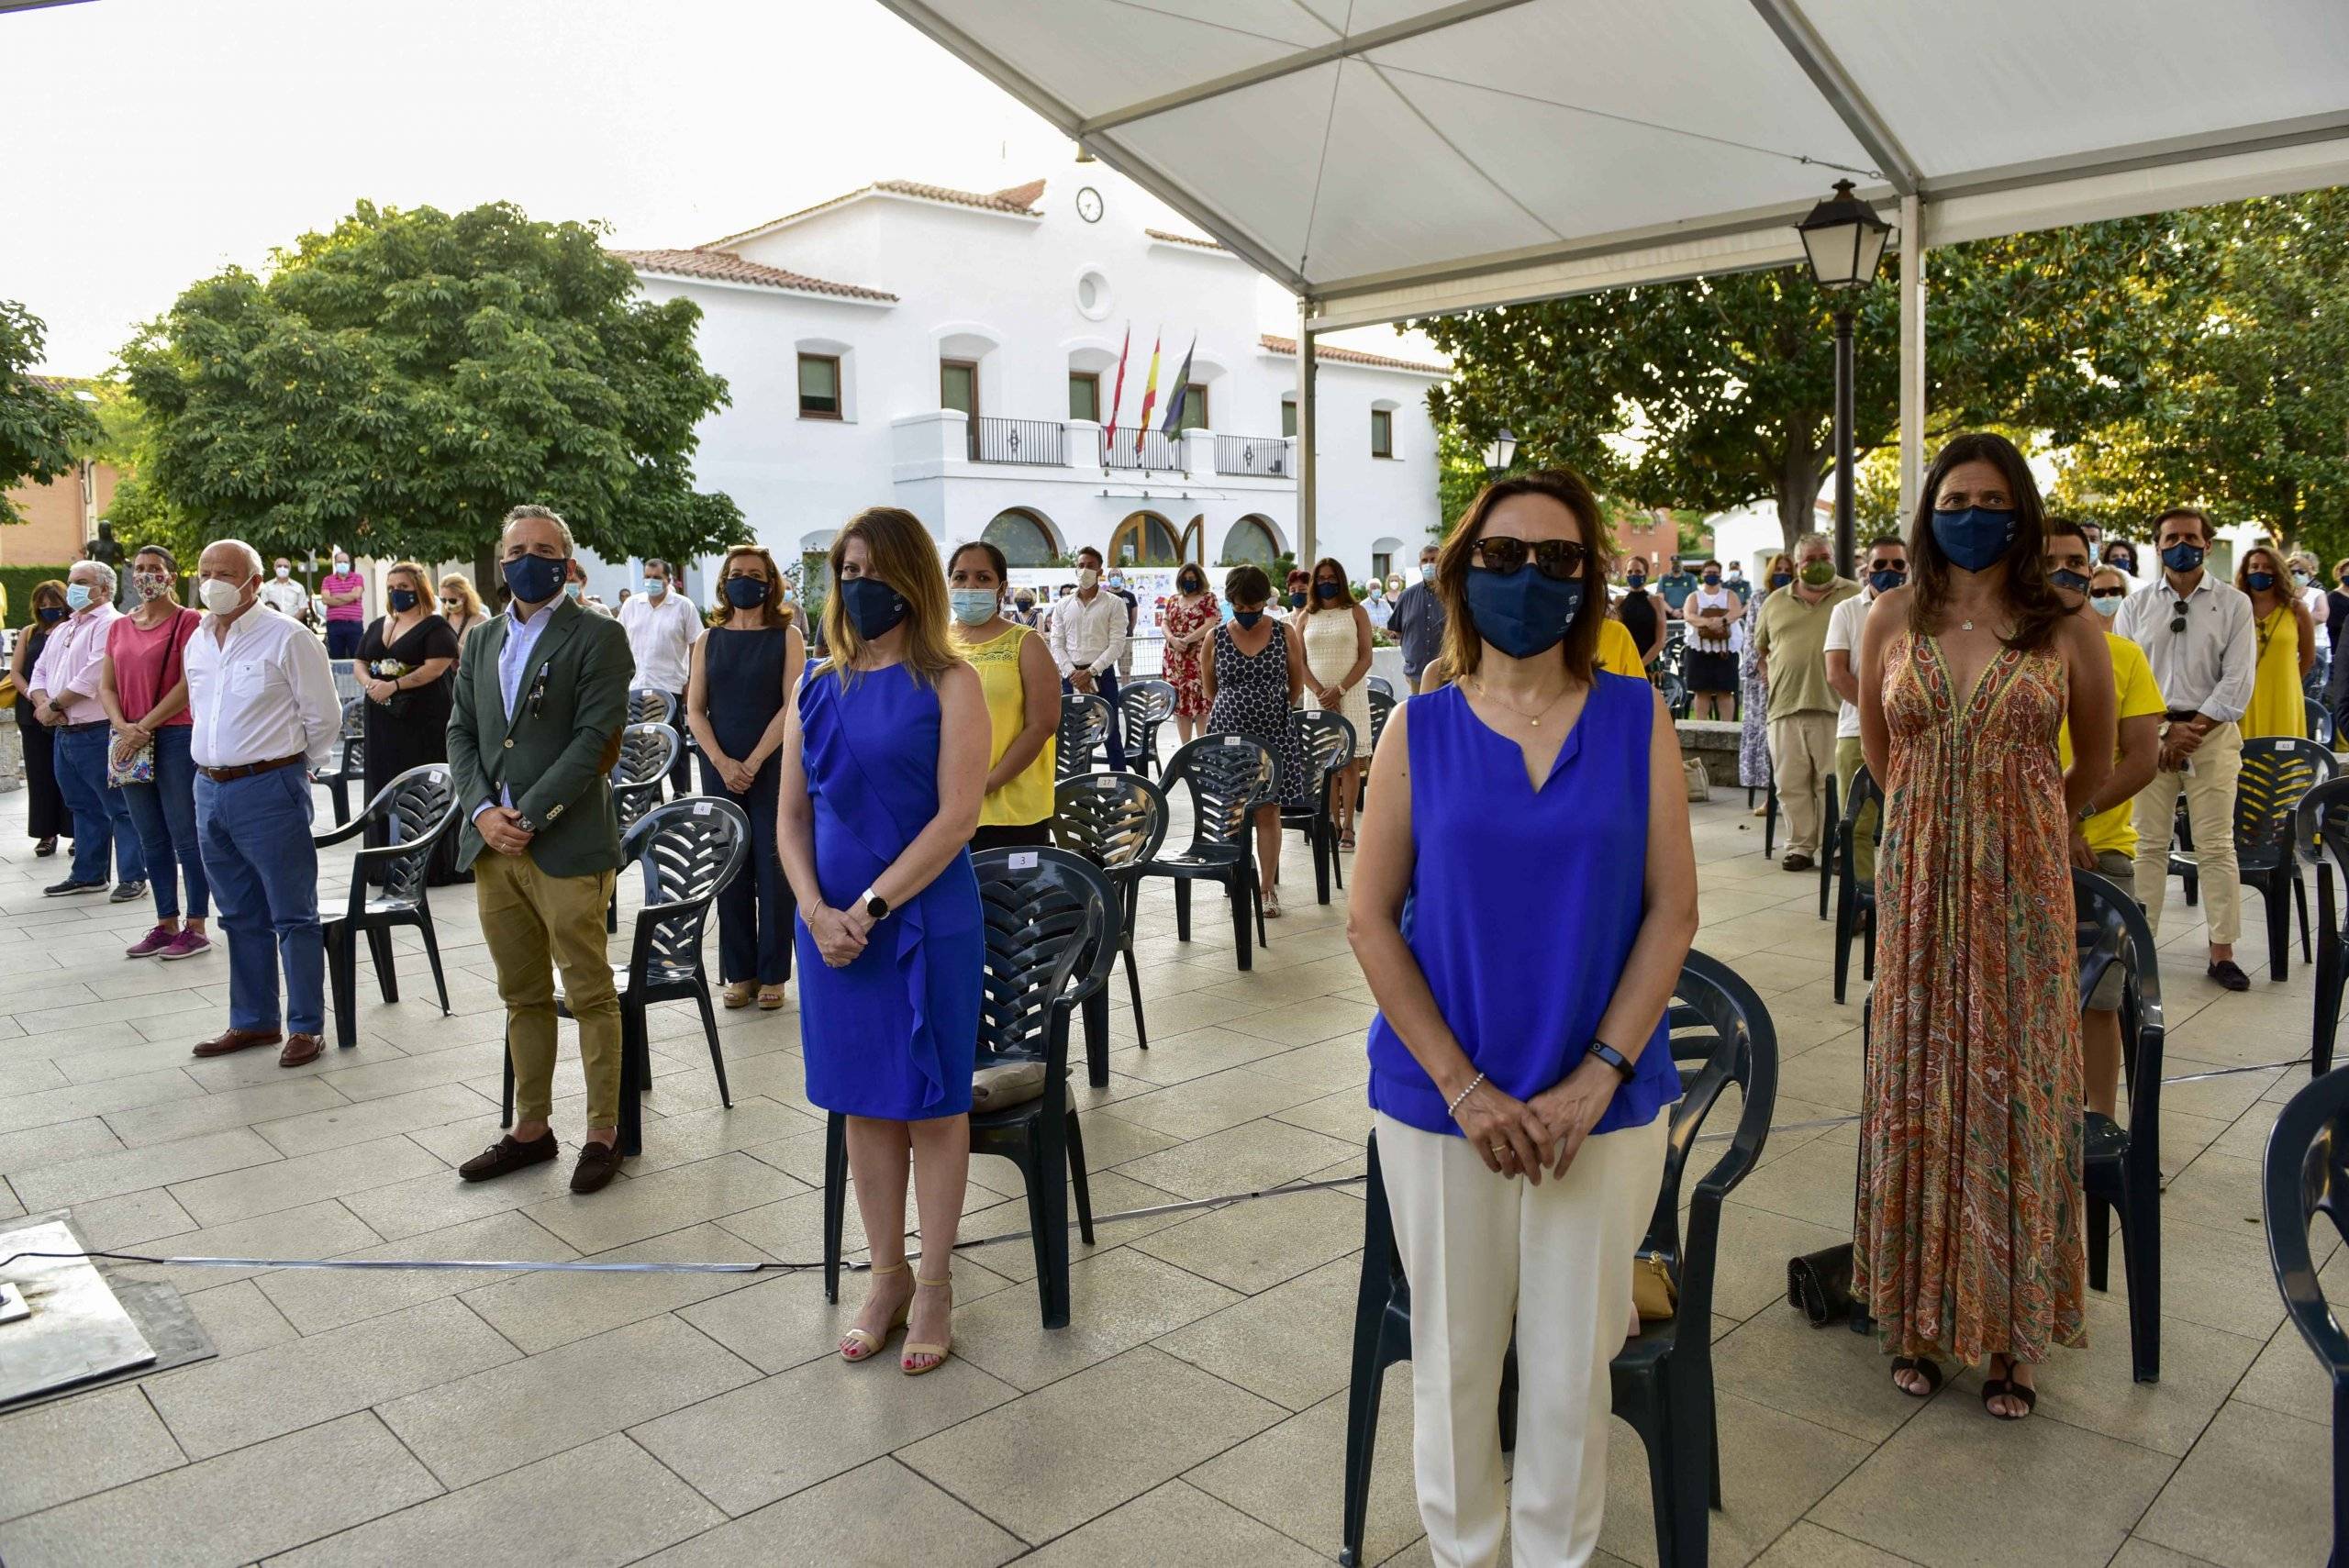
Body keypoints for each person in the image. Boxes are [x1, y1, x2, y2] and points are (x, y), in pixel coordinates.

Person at [1350, 466, 1692, 1565]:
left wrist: (1596, 1075)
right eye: (1503, 556)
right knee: (1452, 1364)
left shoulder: (1638, 719)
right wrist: (1462, 1085)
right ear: (1460, 573)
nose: (1529, 577)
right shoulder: (1420, 727)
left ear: (1590, 580)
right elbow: (1368, 922)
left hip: (1603, 1104)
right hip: (1440, 1103)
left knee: (1565, 1369)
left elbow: (1671, 912)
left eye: (1558, 558)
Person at [1854, 431, 2115, 1420]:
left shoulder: (2065, 626)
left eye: (1992, 498)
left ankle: (2013, 1332)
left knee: (2017, 1095)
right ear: (1930, 509)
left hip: (2023, 891)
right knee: (1917, 1079)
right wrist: (1935, 820)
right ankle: (1914, 1313)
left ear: (2023, 512)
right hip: (1918, 889)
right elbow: (1885, 754)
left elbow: (2089, 762)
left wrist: (2021, 824)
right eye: (1956, 496)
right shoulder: (1889, 615)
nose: (1974, 513)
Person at [777, 506, 985, 1375]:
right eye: (845, 570)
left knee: (932, 1104)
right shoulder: (816, 687)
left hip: (924, 920)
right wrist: (816, 909)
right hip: (828, 935)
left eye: (871, 569)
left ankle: (934, 1282)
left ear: (910, 578)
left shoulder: (950, 681)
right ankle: (886, 1275)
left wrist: (868, 906)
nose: (855, 584)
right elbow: (789, 818)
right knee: (863, 1101)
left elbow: (957, 818)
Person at [448, 505, 638, 1193]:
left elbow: (596, 740)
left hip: (566, 842)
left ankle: (603, 1132)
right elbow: (462, 733)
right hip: (493, 846)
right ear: (502, 562)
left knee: (589, 991)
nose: (531, 557)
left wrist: (527, 815)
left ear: (567, 557)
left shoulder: (598, 635)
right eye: (519, 548)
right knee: (521, 994)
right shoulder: (481, 638)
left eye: (545, 547)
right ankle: (531, 1128)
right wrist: (482, 811)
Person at [183, 539, 344, 1068]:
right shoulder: (199, 639)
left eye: (225, 572)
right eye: (206, 571)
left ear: (254, 579)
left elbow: (324, 717)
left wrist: (292, 768)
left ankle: (305, 1026)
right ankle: (253, 1020)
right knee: (236, 913)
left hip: (269, 786)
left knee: (292, 913)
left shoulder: (289, 637)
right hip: (208, 787)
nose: (213, 582)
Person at [2046, 525, 2164, 1122]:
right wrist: (2048, 828)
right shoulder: (2003, 652)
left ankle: (2098, 1122)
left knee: (2100, 997)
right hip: (2025, 851)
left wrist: (2073, 816)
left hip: (2102, 852)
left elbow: (2142, 757)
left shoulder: (2125, 656)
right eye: (2051, 560)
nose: (2066, 571)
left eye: (2077, 561)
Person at [2116, 506, 2259, 989]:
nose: (2182, 544)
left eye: (2191, 537)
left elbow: (2238, 680)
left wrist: (2190, 730)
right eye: (2172, 536)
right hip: (2147, 738)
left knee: (2216, 845)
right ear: (2157, 545)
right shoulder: (2135, 607)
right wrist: (2161, 733)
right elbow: (2125, 681)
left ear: (2206, 543)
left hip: (2211, 734)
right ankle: (2141, 944)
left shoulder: (2234, 603)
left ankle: (2223, 951)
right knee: (2147, 844)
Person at [686, 544, 807, 1009]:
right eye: (737, 573)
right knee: (729, 868)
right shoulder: (708, 640)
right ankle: (740, 972)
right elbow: (696, 710)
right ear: (724, 581)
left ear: (769, 581)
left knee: (775, 869)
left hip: (773, 764)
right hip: (720, 766)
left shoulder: (787, 636)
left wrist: (754, 761)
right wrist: (721, 761)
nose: (745, 581)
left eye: (755, 574)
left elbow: (790, 705)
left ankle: (775, 974)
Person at [101, 546, 210, 959]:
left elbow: (189, 682)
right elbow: (106, 685)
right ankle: (165, 922)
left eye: (154, 569)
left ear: (172, 575)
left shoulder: (189, 621)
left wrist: (144, 725)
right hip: (128, 740)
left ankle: (196, 925)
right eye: (139, 569)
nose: (145, 576)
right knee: (150, 836)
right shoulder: (120, 626)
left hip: (175, 736)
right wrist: (122, 726)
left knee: (186, 834)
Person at [28, 559, 146, 901]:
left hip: (99, 730)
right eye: (71, 581)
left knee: (120, 807)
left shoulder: (113, 624)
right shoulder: (65, 627)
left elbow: (94, 676)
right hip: (65, 733)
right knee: (80, 805)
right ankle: (88, 874)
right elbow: (40, 672)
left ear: (105, 589)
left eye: (81, 581)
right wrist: (43, 704)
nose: (73, 588)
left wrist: (53, 706)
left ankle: (133, 876)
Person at [1203, 565, 1308, 917]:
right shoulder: (1215, 637)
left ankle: (1266, 889)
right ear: (1231, 601)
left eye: (1255, 607)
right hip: (1229, 735)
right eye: (1241, 608)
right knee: (1233, 811)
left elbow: (1296, 684)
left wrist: (1271, 708)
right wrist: (1235, 710)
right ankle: (1236, 875)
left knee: (1268, 810)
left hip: (1273, 732)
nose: (1248, 614)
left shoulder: (1284, 632)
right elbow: (1210, 689)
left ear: (1265, 601)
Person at [1752, 533, 1859, 871]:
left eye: (1824, 557)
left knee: (1833, 785)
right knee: (1790, 784)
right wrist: (1771, 673)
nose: (1817, 564)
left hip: (1837, 707)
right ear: (1797, 564)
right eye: (1809, 559)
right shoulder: (1775, 602)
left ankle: (1838, 849)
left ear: (1834, 558)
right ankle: (1799, 847)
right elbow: (1762, 649)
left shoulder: (1853, 595)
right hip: (1784, 706)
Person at [947, 540, 1058, 852]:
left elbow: (1042, 725)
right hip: (943, 809)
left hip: (1010, 812)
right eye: (960, 577)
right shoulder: (933, 644)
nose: (970, 586)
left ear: (1001, 587)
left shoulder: (1026, 643)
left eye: (983, 578)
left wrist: (988, 783)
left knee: (1005, 900)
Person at [356, 561, 462, 883]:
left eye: (403, 587)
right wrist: (370, 684)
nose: (396, 593)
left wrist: (397, 684)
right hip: (382, 716)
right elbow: (361, 660)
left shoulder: (435, 627)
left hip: (422, 717)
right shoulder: (379, 624)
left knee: (421, 782)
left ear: (419, 589)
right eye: (391, 588)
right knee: (383, 780)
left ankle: (430, 864)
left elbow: (436, 666)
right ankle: (384, 863)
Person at [1821, 536, 1909, 883]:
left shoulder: (1925, 609)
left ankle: (1904, 902)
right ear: (1866, 570)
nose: (1889, 571)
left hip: (1914, 738)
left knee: (1911, 826)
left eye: (1898, 565)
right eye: (1881, 565)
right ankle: (1862, 900)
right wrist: (1879, 715)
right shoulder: (1845, 611)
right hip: (1856, 731)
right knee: (1856, 825)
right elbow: (1836, 673)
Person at [1299, 556, 1375, 849]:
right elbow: (1298, 660)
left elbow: (1366, 656)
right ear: (1314, 583)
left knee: (1350, 762)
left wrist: (1340, 690)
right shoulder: (1306, 615)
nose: (1326, 583)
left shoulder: (1356, 611)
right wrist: (1321, 691)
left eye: (1332, 578)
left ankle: (1348, 827)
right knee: (1325, 764)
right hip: (1317, 697)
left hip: (1351, 695)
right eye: (1321, 578)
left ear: (1340, 580)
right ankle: (1330, 819)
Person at [618, 557, 704, 795]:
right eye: (648, 576)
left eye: (657, 577)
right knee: (640, 743)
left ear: (668, 579)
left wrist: (692, 679)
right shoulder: (632, 605)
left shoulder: (683, 606)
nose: (651, 581)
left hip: (671, 685)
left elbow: (696, 643)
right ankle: (648, 790)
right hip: (637, 684)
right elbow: (620, 641)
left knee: (673, 741)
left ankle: (680, 789)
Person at [1047, 545, 1129, 771]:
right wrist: (1073, 674)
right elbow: (1057, 642)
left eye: (1090, 566)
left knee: (1111, 733)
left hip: (1102, 676)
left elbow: (1117, 644)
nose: (1085, 570)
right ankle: (1077, 789)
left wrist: (1091, 672)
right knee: (1074, 735)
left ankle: (1120, 786)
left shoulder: (1114, 603)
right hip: (1070, 677)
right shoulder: (1063, 606)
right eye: (1081, 566)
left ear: (1100, 570)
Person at [11, 580, 72, 858]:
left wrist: (56, 702)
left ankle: (77, 832)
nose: (48, 609)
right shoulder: (29, 633)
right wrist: (35, 698)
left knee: (70, 776)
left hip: (67, 711)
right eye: (43, 605)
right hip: (31, 713)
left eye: (54, 605)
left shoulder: (73, 630)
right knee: (40, 775)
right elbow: (16, 672)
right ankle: (45, 833)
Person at [2237, 543, 2312, 740]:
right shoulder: (2236, 609)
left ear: (2278, 571)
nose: (2260, 571)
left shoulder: (2296, 609)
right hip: (2245, 695)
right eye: (2254, 566)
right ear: (2246, 571)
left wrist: (2289, 682)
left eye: (2267, 566)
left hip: (2284, 694)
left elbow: (2308, 656)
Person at [1736, 554, 1790, 809]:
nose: (1782, 573)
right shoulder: (1759, 597)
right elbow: (1752, 638)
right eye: (1777, 569)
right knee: (1765, 738)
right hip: (1762, 679)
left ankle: (1782, 794)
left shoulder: (1796, 597)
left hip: (1789, 675)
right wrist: (1763, 668)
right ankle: (1769, 796)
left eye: (1787, 570)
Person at [1160, 562, 1220, 744]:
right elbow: (1164, 623)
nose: (1188, 582)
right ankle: (1184, 747)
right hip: (1174, 659)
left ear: (1199, 580)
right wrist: (1172, 639)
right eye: (1185, 579)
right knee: (1180, 705)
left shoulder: (1208, 598)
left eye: (1192, 579)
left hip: (1198, 657)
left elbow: (1211, 622)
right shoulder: (1172, 599)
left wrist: (1187, 640)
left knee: (1201, 702)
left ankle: (1203, 746)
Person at [1683, 559, 1742, 721]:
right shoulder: (1694, 596)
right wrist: (1709, 623)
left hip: (1725, 650)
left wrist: (1720, 622)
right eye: (1708, 573)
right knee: (1701, 691)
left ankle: (1727, 729)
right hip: (1700, 649)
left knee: (1725, 691)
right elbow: (1689, 615)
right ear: (1702, 575)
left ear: (1720, 575)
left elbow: (1736, 612)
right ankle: (1701, 727)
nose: (1711, 576)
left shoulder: (1729, 594)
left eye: (1715, 573)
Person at [1395, 543, 1446, 691]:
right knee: (1419, 714)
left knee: (1446, 714)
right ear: (1419, 564)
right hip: (1417, 674)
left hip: (1449, 674)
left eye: (1433, 560)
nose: (1429, 564)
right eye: (1425, 560)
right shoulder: (1406, 596)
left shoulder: (1454, 595)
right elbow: (1397, 631)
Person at [1613, 558, 1663, 665]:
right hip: (1625, 662)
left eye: (1638, 571)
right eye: (1630, 572)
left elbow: (1660, 641)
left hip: (1650, 665)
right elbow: (1616, 634)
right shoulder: (1619, 601)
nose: (1633, 575)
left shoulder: (1655, 601)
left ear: (1647, 574)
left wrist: (1640, 665)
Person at [319, 550, 366, 659]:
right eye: (339, 562)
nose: (342, 564)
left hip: (354, 624)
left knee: (357, 657)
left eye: (345, 562)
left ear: (349, 563)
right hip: (334, 625)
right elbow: (325, 599)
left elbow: (356, 594)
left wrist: (335, 597)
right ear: (335, 563)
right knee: (336, 657)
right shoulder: (327, 580)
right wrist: (349, 596)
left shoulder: (357, 577)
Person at [438, 573, 487, 659]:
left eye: (452, 600)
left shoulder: (480, 619)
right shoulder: (440, 621)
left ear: (464, 597)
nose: (447, 604)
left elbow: (483, 652)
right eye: (443, 600)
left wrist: (453, 646)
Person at [259, 557, 309, 621]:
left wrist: (293, 622)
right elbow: (264, 608)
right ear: (274, 568)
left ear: (290, 569)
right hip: (273, 624)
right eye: (279, 566)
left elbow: (303, 608)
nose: (282, 568)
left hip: (294, 625)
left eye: (286, 566)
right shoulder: (266, 587)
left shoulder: (299, 587)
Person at [1653, 552, 1698, 620]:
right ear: (1670, 564)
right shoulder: (1663, 579)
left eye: (1677, 563)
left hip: (1687, 616)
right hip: (1668, 616)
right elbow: (1660, 599)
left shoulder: (1691, 578)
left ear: (1682, 564)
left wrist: (1683, 611)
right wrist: (1672, 611)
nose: (1676, 565)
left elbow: (1695, 597)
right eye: (1673, 563)